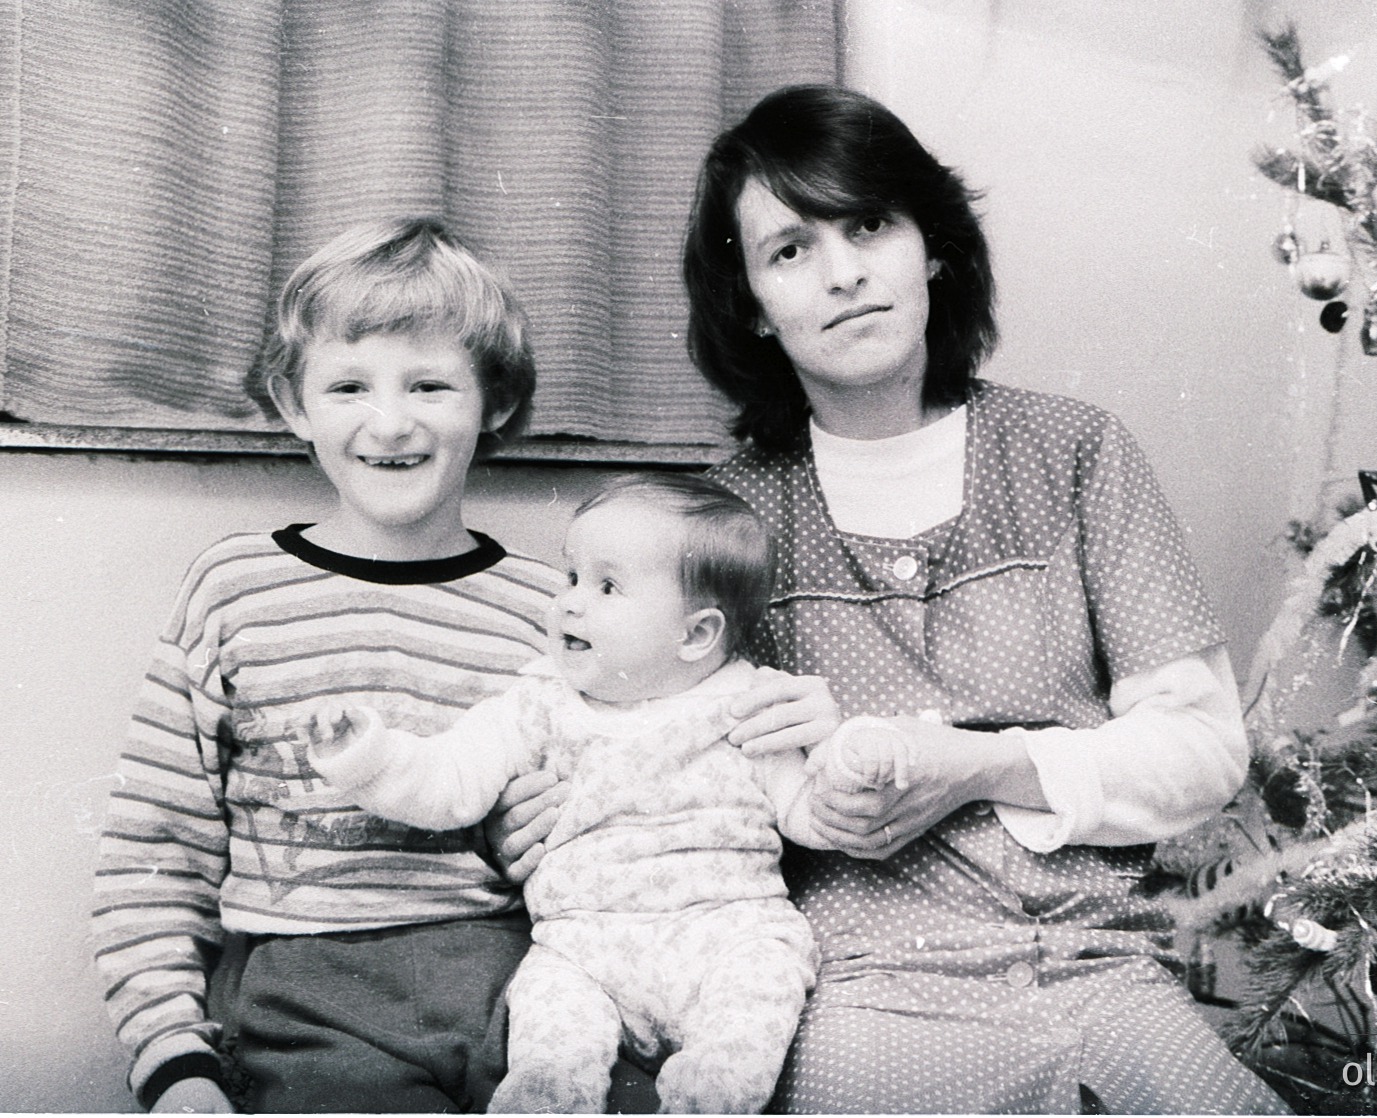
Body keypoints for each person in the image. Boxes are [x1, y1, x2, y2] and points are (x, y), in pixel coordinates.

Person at [90, 220, 835, 1113]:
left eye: (432, 384)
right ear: (295, 405)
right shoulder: (233, 590)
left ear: (494, 405)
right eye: (349, 385)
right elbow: (154, 853)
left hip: (517, 975)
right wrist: (173, 1060)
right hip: (307, 990)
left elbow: (645, 812)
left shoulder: (557, 616)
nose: (391, 420)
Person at [679, 83, 1290, 1113]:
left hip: (1099, 964)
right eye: (790, 249)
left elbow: (1203, 754)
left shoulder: (1078, 453)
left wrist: (988, 766)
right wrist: (805, 790)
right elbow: (684, 795)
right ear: (751, 303)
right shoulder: (725, 518)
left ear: (934, 246)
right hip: (863, 984)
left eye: (869, 223)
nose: (843, 274)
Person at [305, 473, 885, 1114]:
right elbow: (450, 783)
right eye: (571, 577)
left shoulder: (748, 706)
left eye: (606, 587)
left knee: (759, 994)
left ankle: (711, 1099)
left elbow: (807, 813)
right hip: (583, 947)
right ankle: (548, 1098)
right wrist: (368, 755)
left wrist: (846, 768)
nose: (570, 604)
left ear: (695, 636)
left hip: (727, 932)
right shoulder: (538, 703)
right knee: (550, 1035)